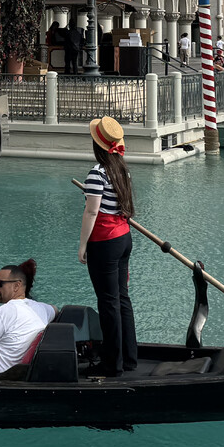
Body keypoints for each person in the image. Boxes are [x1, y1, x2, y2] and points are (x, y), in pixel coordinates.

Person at [79, 117, 139, 378]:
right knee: (122, 298)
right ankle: (129, 358)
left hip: (104, 242)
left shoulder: (97, 173)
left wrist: (82, 244)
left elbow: (91, 212)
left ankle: (112, 364)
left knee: (108, 302)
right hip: (124, 238)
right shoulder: (122, 169)